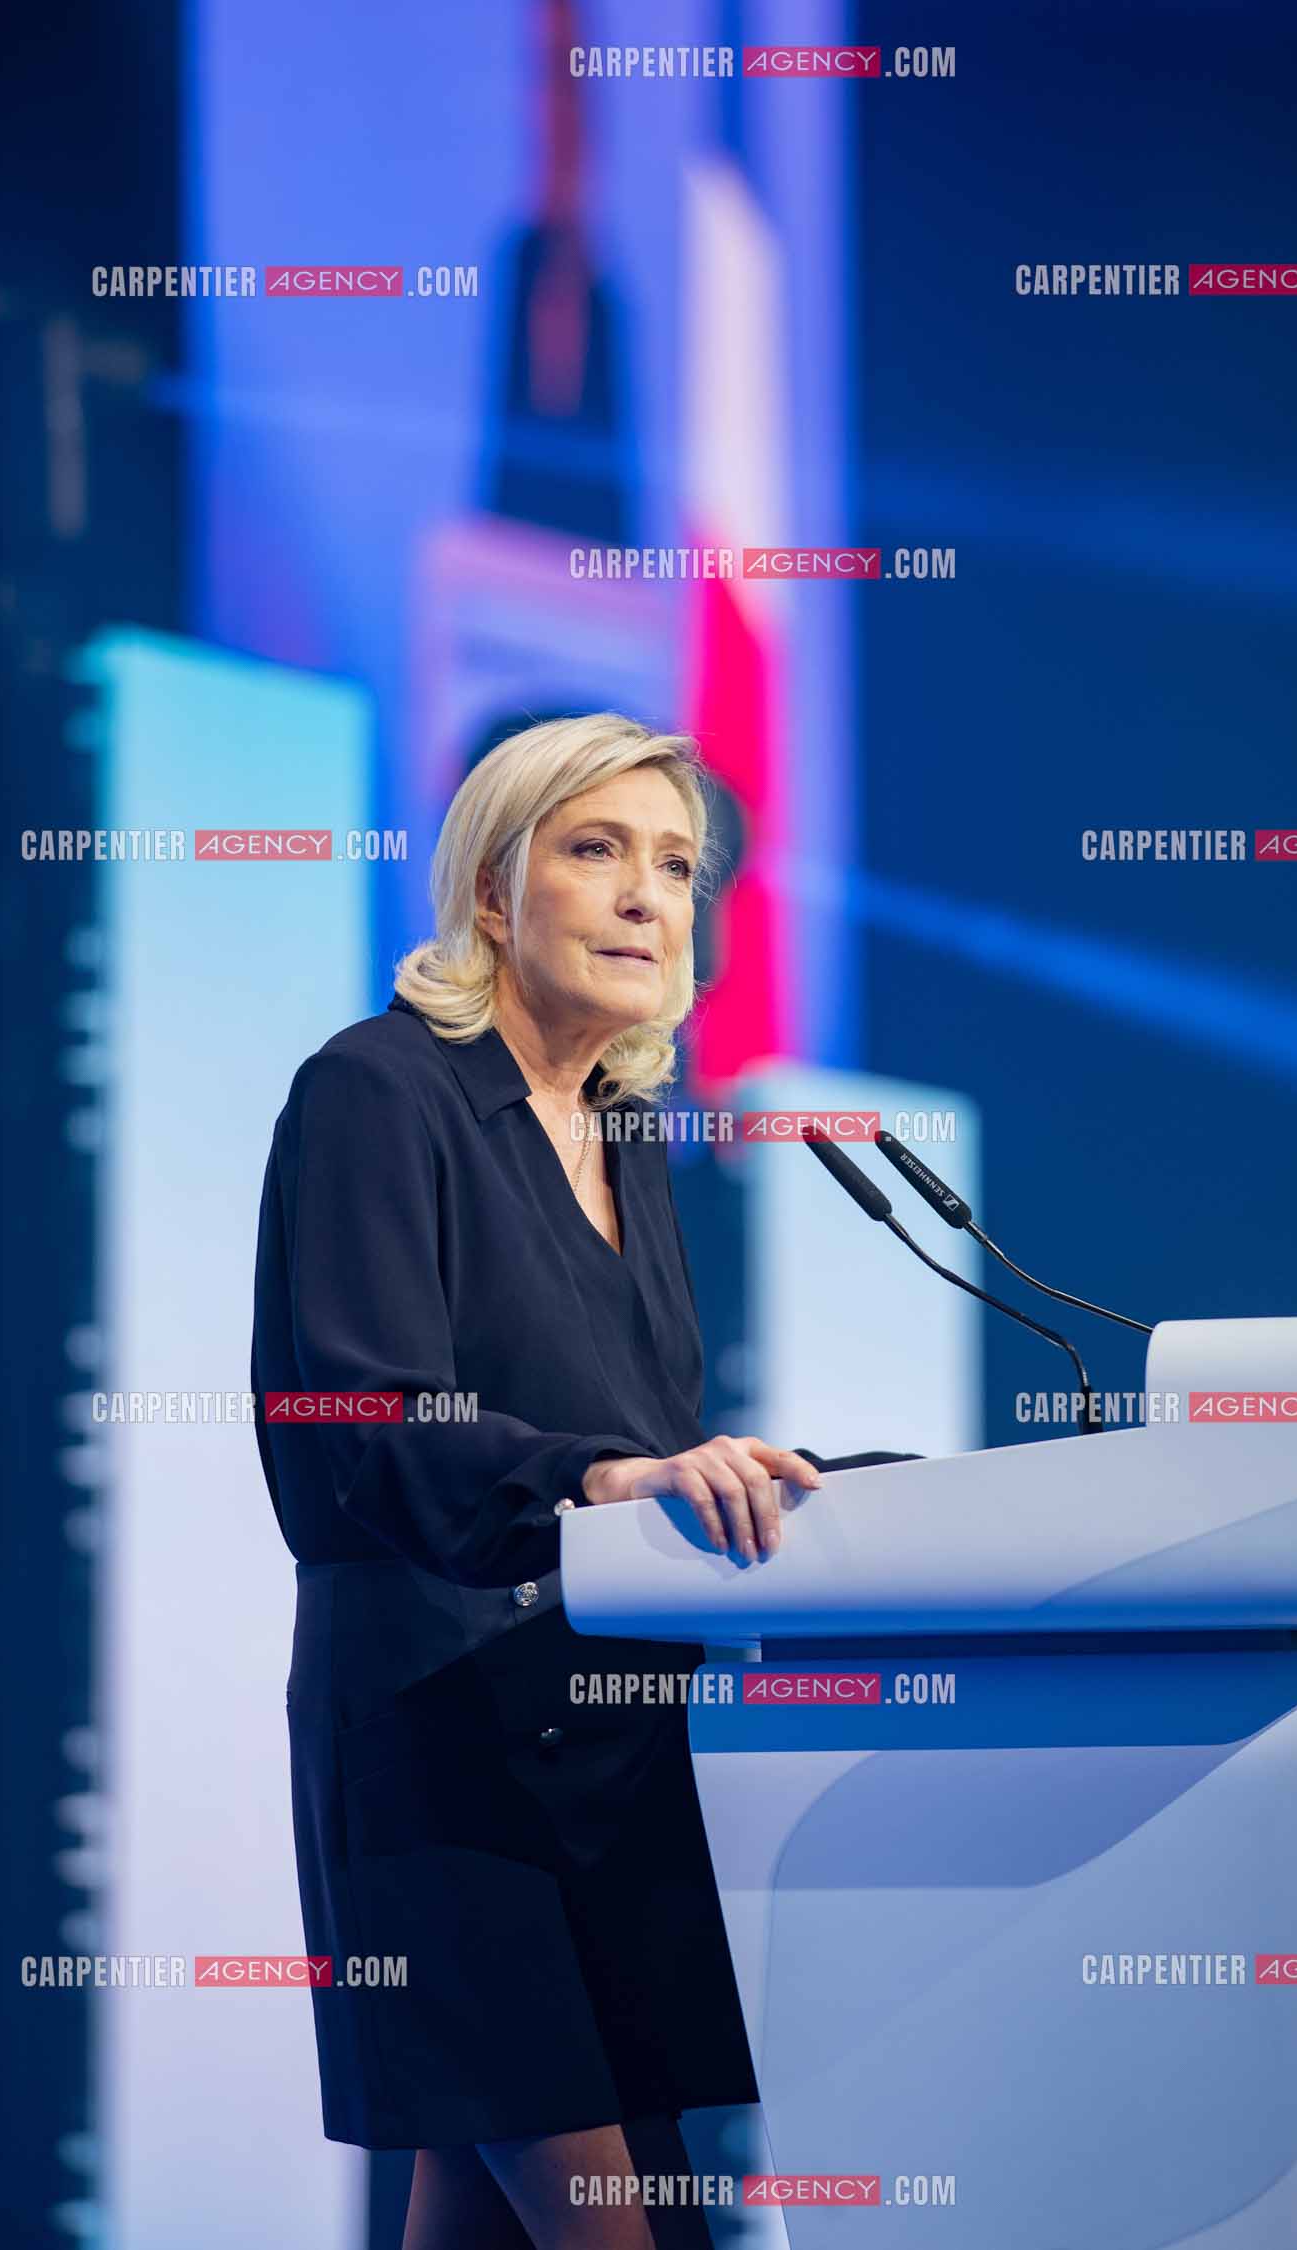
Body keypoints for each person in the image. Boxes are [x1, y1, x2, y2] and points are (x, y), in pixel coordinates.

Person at [251, 713, 910, 2249]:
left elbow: (643, 1424)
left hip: (616, 1758)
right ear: (494, 890)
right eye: (597, 849)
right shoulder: (377, 1089)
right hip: (443, 1752)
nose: (645, 897)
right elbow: (354, 1421)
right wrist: (601, 1475)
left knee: (485, 2227)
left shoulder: (629, 1126)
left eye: (676, 866)